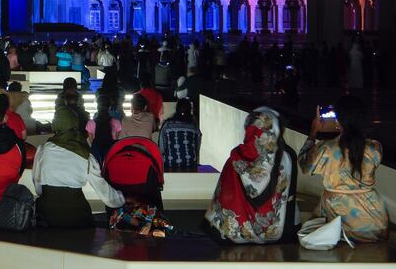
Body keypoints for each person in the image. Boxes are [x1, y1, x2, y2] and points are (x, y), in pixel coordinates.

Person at [298, 95, 389, 242]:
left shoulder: (326, 149)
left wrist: (313, 132)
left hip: (336, 220)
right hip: (374, 224)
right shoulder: (375, 148)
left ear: (338, 120)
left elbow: (304, 165)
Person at [205, 107, 299, 244]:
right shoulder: (288, 155)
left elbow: (226, 194)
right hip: (282, 231)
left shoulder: (235, 158)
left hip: (235, 233)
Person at [32, 109, 124, 228]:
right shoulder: (85, 154)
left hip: (45, 216)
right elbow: (103, 190)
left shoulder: (42, 150)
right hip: (76, 217)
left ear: (55, 126)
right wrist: (121, 200)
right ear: (76, 125)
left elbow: (37, 186)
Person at [158, 98, 201, 172]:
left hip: (170, 163)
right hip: (190, 163)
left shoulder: (167, 125)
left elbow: (161, 148)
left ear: (176, 109)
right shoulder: (194, 126)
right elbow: (197, 148)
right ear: (190, 110)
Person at [86, 95, 121, 164]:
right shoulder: (117, 122)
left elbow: (91, 142)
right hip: (111, 155)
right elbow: (116, 139)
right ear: (109, 107)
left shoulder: (90, 123)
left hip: (96, 157)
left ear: (97, 107)